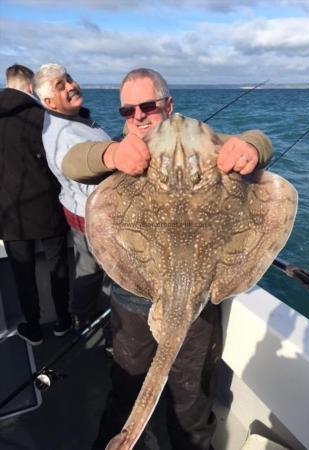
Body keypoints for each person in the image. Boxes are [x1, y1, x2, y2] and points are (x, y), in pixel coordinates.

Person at [62, 68, 273, 450]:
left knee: (191, 403)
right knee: (124, 387)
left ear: (169, 105)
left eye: (148, 106)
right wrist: (111, 153)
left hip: (198, 303)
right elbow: (73, 162)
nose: (138, 116)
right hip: (132, 297)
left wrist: (252, 147)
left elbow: (258, 143)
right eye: (128, 110)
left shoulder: (209, 146)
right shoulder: (121, 152)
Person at [33, 63, 112, 352]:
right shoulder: (66, 134)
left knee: (86, 269)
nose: (71, 85)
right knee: (101, 274)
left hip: (77, 212)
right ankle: (97, 327)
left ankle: (83, 319)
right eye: (60, 85)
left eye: (69, 79)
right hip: (91, 216)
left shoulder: (74, 120)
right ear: (49, 102)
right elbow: (90, 178)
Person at [0, 64, 71, 345]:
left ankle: (33, 326)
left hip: (10, 214)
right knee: (59, 268)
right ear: (31, 87)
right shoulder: (44, 117)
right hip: (48, 210)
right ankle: (63, 320)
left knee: (23, 275)